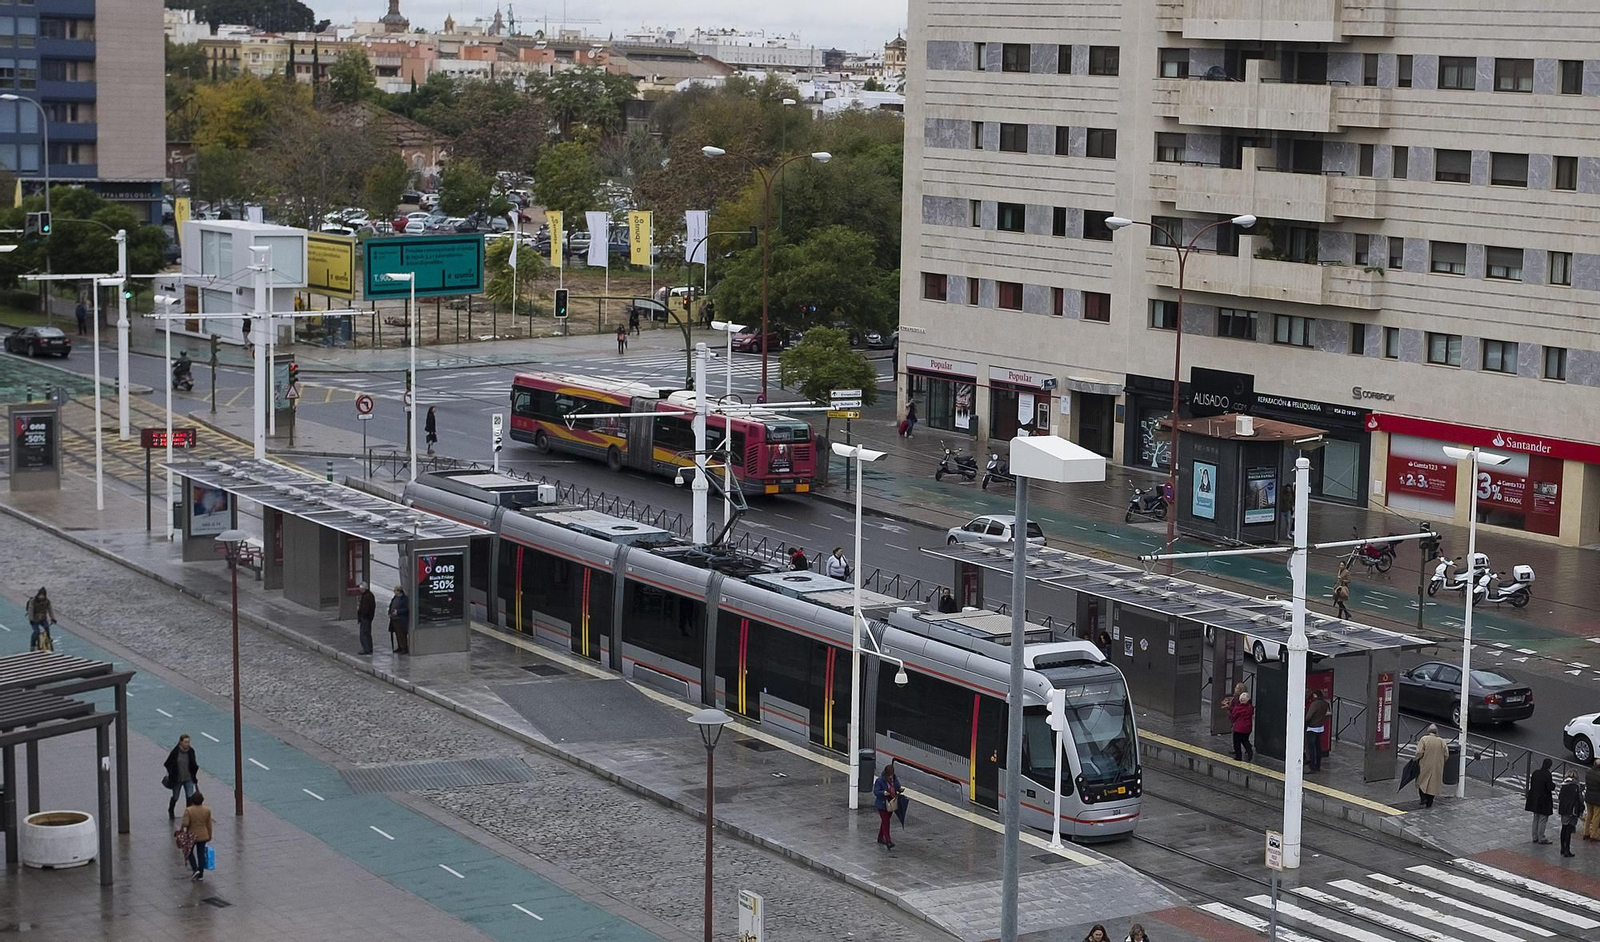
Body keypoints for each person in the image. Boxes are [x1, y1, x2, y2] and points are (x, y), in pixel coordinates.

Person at [163, 734, 200, 819]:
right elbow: (168, 763)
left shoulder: (191, 751)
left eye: (188, 742)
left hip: (188, 778)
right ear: (180, 742)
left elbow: (193, 764)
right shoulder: (175, 752)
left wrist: (194, 774)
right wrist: (172, 774)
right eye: (185, 742)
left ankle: (188, 814)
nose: (187, 744)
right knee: (175, 796)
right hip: (177, 779)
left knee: (189, 797)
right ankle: (171, 809)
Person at [181, 791, 213, 881]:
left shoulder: (189, 810)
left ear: (192, 800)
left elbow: (185, 823)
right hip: (203, 835)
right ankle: (201, 874)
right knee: (201, 854)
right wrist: (209, 835)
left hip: (192, 836)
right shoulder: (207, 810)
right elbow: (209, 825)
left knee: (189, 852)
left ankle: (195, 869)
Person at [1415, 724, 1448, 807]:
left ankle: (1423, 798)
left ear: (1428, 731)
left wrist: (1417, 759)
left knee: (1421, 781)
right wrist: (1441, 761)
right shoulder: (1442, 741)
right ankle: (1429, 802)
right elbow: (1446, 754)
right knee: (1433, 784)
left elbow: (1419, 752)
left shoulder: (1424, 739)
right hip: (1437, 766)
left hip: (1425, 764)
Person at [872, 762, 901, 850]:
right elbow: (876, 792)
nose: (891, 777)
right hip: (882, 804)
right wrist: (883, 793)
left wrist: (899, 789)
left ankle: (880, 837)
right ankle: (888, 841)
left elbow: (897, 786)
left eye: (891, 775)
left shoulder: (894, 778)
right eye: (889, 776)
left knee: (885, 821)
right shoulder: (880, 780)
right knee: (886, 821)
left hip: (891, 802)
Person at [1528, 757, 1556, 844]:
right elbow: (1550, 787)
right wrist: (1553, 785)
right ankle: (1541, 837)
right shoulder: (1547, 774)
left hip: (1534, 798)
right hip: (1544, 800)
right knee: (1543, 819)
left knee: (1536, 818)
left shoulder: (1535, 773)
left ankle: (1534, 836)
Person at [1304, 689, 1330, 772]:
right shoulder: (1325, 703)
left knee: (1311, 748)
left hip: (1312, 728)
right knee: (1318, 747)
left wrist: (1304, 723)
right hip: (1320, 728)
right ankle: (1318, 766)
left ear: (1315, 695)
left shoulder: (1315, 704)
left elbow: (1309, 716)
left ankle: (1312, 767)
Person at [1560, 771, 1583, 858]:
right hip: (1572, 810)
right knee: (1568, 831)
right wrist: (1581, 809)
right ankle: (1567, 850)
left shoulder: (1563, 785)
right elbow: (1580, 799)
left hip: (1563, 810)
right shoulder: (1576, 786)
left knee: (1564, 828)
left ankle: (1562, 848)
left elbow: (1560, 797)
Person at [1229, 691, 1255, 762]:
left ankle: (1238, 756)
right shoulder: (1250, 708)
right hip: (1248, 728)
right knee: (1245, 740)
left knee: (1236, 742)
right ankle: (1249, 750)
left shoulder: (1238, 708)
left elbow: (1233, 717)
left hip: (1238, 729)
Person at [26, 587, 54, 652]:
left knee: (47, 627)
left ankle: (48, 639)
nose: (41, 597)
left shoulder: (47, 601)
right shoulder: (33, 601)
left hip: (43, 618)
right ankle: (32, 645)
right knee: (36, 632)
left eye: (43, 595)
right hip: (34, 619)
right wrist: (31, 619)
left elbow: (50, 610)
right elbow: (31, 610)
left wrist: (52, 618)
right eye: (40, 595)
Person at [388, 585, 410, 655]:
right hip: (394, 619)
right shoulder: (395, 598)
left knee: (402, 634)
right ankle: (399, 646)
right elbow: (391, 605)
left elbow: (406, 609)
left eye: (396, 590)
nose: (394, 592)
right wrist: (389, 613)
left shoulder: (404, 599)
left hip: (401, 619)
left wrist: (398, 612)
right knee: (397, 634)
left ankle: (404, 648)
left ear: (399, 591)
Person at [356, 583, 376, 656]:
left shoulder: (367, 597)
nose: (360, 590)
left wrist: (362, 615)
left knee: (364, 634)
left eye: (361, 589)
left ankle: (366, 649)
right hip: (368, 618)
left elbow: (366, 608)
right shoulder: (369, 595)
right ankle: (369, 648)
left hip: (366, 618)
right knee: (367, 633)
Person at [1583, 759, 1600, 841]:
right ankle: (1594, 834)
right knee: (1596, 816)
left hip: (1588, 796)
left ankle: (1586, 832)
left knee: (1589, 814)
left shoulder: (1588, 772)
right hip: (1597, 798)